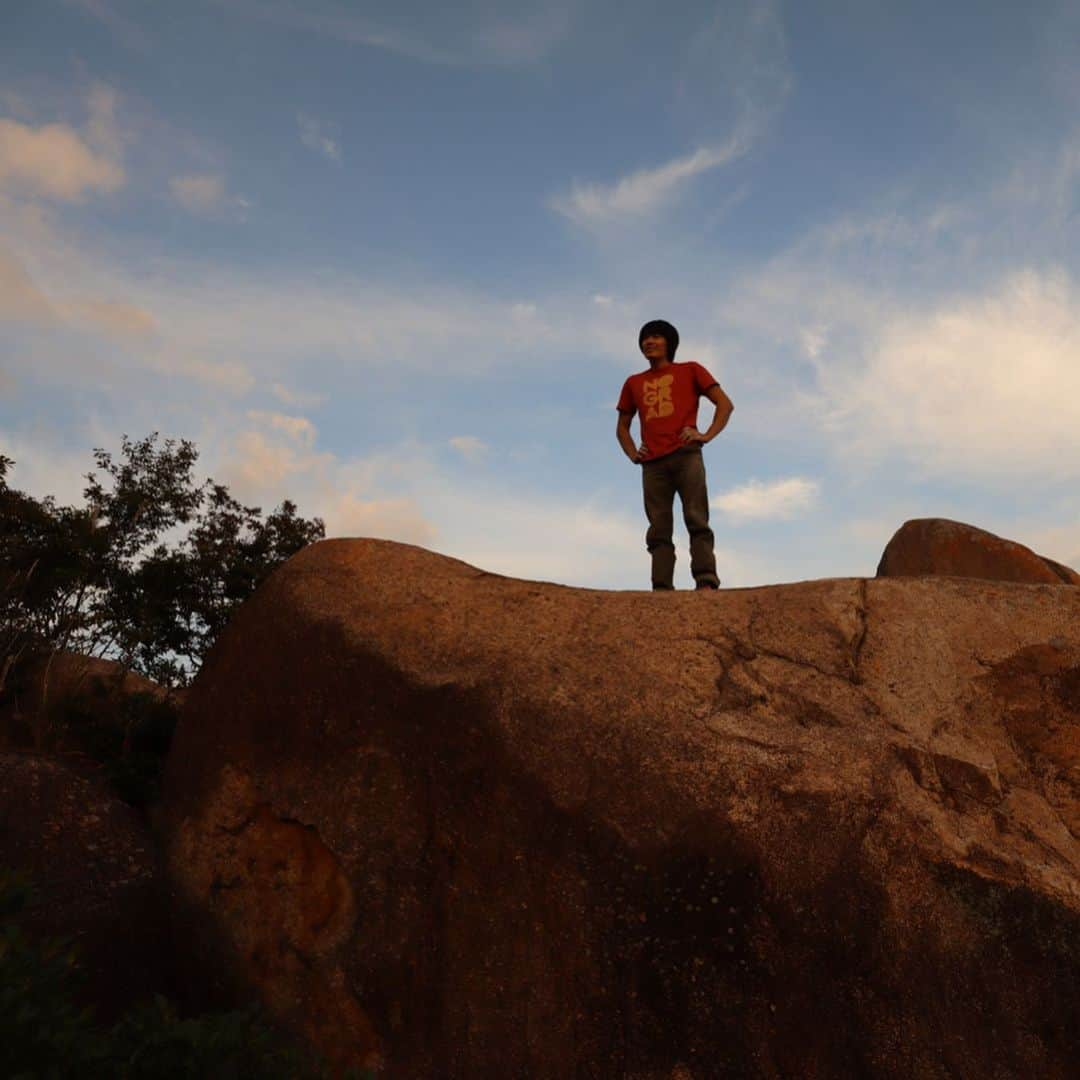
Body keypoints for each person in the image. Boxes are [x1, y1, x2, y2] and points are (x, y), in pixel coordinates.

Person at [616, 319, 734, 591]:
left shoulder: (691, 370)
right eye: (645, 338)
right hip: (653, 464)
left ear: (669, 343)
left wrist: (705, 435)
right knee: (658, 527)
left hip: (686, 455)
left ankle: (705, 580)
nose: (649, 342)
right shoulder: (633, 382)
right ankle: (661, 587)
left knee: (696, 518)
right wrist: (634, 453)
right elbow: (622, 427)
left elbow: (725, 405)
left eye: (656, 337)